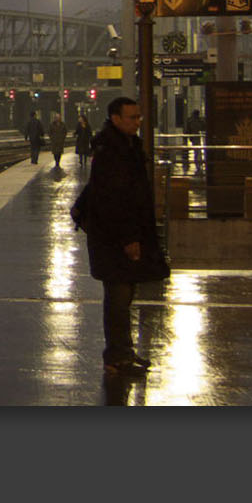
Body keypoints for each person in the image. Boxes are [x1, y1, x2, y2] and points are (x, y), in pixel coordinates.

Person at [73, 96, 167, 376]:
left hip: (118, 233)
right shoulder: (113, 151)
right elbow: (114, 198)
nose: (138, 122)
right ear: (116, 119)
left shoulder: (123, 145)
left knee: (123, 297)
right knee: (118, 297)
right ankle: (117, 357)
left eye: (139, 117)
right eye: (132, 117)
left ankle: (122, 352)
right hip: (115, 237)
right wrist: (129, 238)